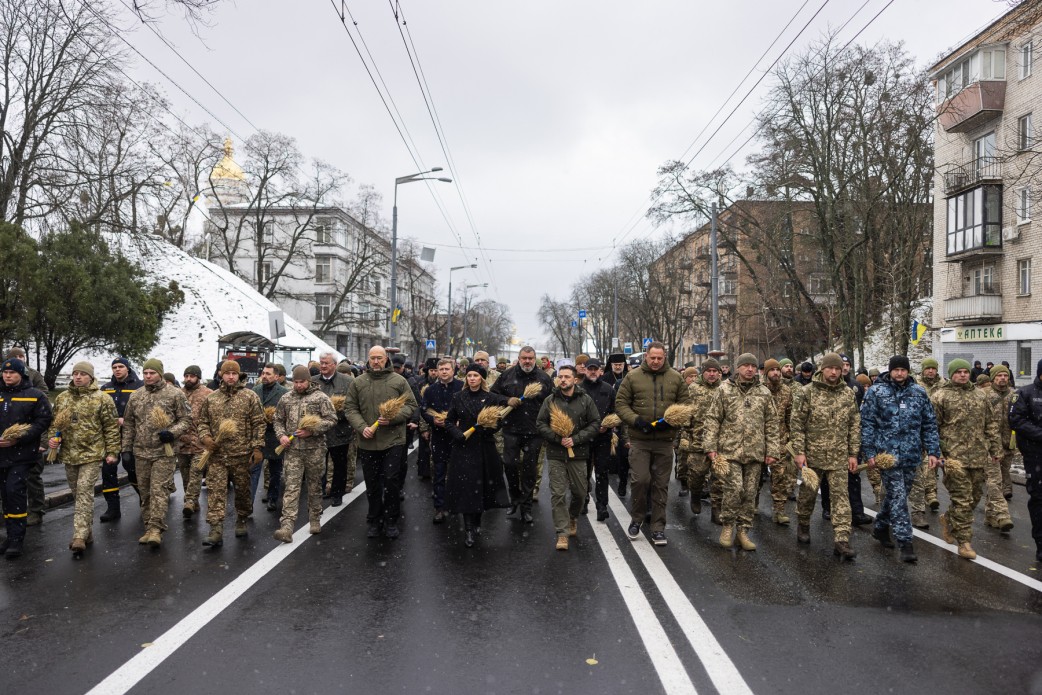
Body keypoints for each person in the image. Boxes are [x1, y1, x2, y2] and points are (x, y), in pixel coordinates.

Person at [860, 355, 941, 563]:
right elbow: (867, 424)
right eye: (895, 369)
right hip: (887, 456)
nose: (899, 373)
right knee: (897, 496)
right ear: (890, 371)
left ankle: (879, 527)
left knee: (897, 496)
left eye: (903, 370)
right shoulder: (877, 392)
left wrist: (933, 451)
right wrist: (869, 453)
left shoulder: (918, 393)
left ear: (908, 371)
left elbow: (929, 424)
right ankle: (905, 542)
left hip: (911, 454)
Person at [704, 352, 780, 551]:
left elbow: (772, 423)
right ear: (737, 368)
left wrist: (772, 450)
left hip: (755, 452)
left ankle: (743, 530)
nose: (749, 369)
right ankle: (728, 525)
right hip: (730, 451)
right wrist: (711, 448)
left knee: (749, 493)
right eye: (745, 365)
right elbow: (712, 419)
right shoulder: (724, 390)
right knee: (734, 489)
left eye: (753, 366)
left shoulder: (763, 392)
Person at [616, 341, 690, 546]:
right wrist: (636, 420)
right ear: (646, 357)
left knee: (660, 485)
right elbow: (621, 404)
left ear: (664, 357)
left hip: (664, 441)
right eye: (652, 357)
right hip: (640, 440)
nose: (656, 361)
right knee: (640, 481)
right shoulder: (632, 377)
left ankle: (658, 528)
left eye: (660, 358)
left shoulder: (676, 378)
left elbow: (686, 406)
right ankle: (637, 519)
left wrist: (670, 421)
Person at [789, 352, 860, 559]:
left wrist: (853, 453)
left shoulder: (847, 394)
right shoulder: (807, 392)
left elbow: (854, 424)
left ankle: (842, 539)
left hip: (838, 456)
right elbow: (797, 424)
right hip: (812, 455)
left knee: (840, 498)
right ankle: (803, 524)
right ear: (822, 369)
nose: (834, 372)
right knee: (807, 495)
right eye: (830, 368)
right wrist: (800, 452)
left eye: (838, 369)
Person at [344, 345, 418, 539]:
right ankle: (374, 520)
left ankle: (391, 519)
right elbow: (350, 408)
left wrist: (393, 418)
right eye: (372, 358)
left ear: (386, 359)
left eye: (379, 358)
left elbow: (411, 405)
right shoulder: (359, 382)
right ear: (368, 360)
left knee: (392, 482)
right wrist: (362, 427)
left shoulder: (398, 381)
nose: (376, 361)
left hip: (393, 441)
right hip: (368, 442)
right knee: (373, 483)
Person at [932, 358, 1003, 560]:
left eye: (965, 371)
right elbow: (932, 428)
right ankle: (964, 543)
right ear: (952, 373)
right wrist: (938, 453)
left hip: (978, 456)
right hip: (954, 459)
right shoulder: (941, 396)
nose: (963, 375)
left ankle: (949, 519)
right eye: (958, 372)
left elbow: (990, 424)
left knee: (974, 498)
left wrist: (995, 448)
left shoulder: (980, 396)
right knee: (962, 500)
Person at [47, 362, 120, 554]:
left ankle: (78, 535)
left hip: (92, 454)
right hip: (69, 455)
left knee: (84, 492)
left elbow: (111, 427)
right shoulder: (63, 398)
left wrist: (112, 452)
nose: (78, 377)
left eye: (82, 374)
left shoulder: (102, 399)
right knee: (76, 492)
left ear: (91, 376)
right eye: (75, 374)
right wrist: (52, 440)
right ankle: (87, 533)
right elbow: (54, 425)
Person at [121, 358, 192, 548]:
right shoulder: (136, 396)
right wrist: (126, 449)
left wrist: (172, 433)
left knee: (158, 490)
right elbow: (128, 424)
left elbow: (186, 419)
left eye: (152, 373)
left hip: (164, 452)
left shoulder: (174, 394)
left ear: (160, 373)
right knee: (145, 493)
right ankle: (148, 526)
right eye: (145, 373)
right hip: (141, 452)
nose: (148, 376)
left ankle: (155, 529)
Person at [195, 360, 266, 547]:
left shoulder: (249, 396)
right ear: (221, 375)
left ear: (239, 375)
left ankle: (242, 518)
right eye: (227, 373)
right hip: (217, 456)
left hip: (241, 455)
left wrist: (257, 448)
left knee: (242, 491)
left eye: (234, 373)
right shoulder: (212, 398)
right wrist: (206, 438)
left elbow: (259, 423)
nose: (231, 377)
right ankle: (216, 529)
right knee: (216, 492)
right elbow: (202, 422)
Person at [444, 363, 513, 547]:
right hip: (463, 448)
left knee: (481, 487)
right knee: (467, 488)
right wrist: (458, 433)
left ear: (482, 378)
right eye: (469, 375)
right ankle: (468, 529)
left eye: (476, 375)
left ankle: (476, 523)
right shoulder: (458, 397)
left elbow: (498, 422)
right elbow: (449, 421)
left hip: (484, 448)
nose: (472, 378)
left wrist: (487, 428)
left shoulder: (491, 398)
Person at [536, 364, 601, 551]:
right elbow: (540, 423)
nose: (562, 379)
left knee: (580, 493)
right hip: (556, 453)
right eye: (560, 376)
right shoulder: (550, 400)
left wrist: (575, 439)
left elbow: (595, 422)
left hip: (578, 454)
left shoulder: (585, 400)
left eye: (566, 376)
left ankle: (573, 517)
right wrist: (558, 438)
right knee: (557, 494)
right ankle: (562, 533)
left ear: (575, 379)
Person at [489, 345, 553, 525]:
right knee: (509, 464)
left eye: (530, 358)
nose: (527, 361)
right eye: (524, 358)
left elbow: (553, 401)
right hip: (511, 429)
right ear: (519, 358)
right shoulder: (507, 376)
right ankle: (515, 497)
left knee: (529, 469)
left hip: (534, 431)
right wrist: (506, 400)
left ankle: (526, 507)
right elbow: (493, 395)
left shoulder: (544, 378)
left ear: (535, 359)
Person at [273, 365, 337, 541]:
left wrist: (313, 430)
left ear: (309, 381)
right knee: (291, 487)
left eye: (302, 382)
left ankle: (315, 518)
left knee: (314, 485)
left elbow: (332, 419)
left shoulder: (320, 398)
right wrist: (281, 436)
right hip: (292, 451)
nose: (299, 385)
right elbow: (277, 420)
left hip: (314, 450)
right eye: (296, 382)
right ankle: (286, 526)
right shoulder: (286, 398)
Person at [0, 358, 52, 558]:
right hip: (1, 455)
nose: (8, 376)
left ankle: (17, 539)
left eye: (12, 373)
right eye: (5, 373)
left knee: (15, 491)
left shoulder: (35, 395)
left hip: (22, 456)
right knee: (5, 494)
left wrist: (20, 438)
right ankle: (9, 535)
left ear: (21, 374)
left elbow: (44, 420)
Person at [4, 348, 47, 527]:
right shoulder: (4, 380)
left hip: (30, 437)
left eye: (22, 356)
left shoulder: (33, 376)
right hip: (7, 441)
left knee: (33, 475)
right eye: (16, 357)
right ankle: (10, 512)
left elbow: (43, 416)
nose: (20, 359)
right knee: (8, 481)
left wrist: (42, 442)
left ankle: (36, 510)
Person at [99, 357, 143, 522]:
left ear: (128, 368)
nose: (117, 370)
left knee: (131, 467)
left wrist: (128, 420)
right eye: (114, 367)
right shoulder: (106, 388)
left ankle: (144, 499)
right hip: (110, 436)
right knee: (108, 471)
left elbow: (146, 411)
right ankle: (113, 508)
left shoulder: (139, 387)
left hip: (132, 436)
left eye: (121, 367)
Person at [421, 358, 463, 524]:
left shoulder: (461, 387)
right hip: (439, 436)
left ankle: (456, 504)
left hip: (457, 436)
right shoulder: (430, 390)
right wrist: (433, 420)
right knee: (439, 472)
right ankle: (439, 507)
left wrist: (461, 421)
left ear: (453, 370)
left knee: (458, 472)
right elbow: (424, 410)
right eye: (441, 369)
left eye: (447, 369)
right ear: (437, 371)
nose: (444, 372)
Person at [682, 358, 724, 523]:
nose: (712, 374)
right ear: (703, 372)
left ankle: (716, 509)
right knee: (697, 474)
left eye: (715, 371)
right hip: (698, 440)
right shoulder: (693, 389)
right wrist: (686, 435)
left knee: (719, 477)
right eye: (709, 371)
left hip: (719, 442)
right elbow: (686, 413)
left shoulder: (725, 388)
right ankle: (695, 495)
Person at [1009, 358, 1042, 562]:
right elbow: (1017, 421)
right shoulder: (1025, 393)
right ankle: (1041, 543)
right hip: (1035, 455)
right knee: (1039, 499)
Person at [312, 352, 354, 505]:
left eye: (326, 363)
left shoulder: (347, 381)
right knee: (317, 465)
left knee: (339, 465)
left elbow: (352, 406)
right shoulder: (313, 382)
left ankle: (337, 493)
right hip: (318, 432)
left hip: (339, 431)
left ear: (334, 365)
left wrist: (336, 414)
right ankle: (320, 491)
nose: (322, 366)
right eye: (321, 362)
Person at [909, 357, 946, 527]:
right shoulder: (915, 385)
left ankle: (931, 494)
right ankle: (926, 497)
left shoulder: (943, 385)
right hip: (918, 431)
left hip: (937, 430)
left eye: (933, 368)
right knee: (922, 466)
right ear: (923, 370)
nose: (931, 371)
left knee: (932, 463)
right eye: (928, 368)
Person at [578, 359, 616, 522]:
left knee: (602, 472)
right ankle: (584, 499)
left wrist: (608, 426)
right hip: (584, 438)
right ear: (585, 370)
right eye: (590, 369)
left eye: (595, 369)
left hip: (603, 437)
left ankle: (602, 506)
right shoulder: (578, 389)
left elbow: (615, 411)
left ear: (600, 371)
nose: (593, 372)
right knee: (583, 472)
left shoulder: (608, 389)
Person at [761, 359, 795, 525]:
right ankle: (752, 504)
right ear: (766, 373)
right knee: (755, 476)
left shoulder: (787, 391)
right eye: (772, 370)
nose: (775, 372)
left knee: (780, 475)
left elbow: (790, 416)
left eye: (777, 370)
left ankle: (779, 510)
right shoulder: (759, 390)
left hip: (780, 439)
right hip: (758, 438)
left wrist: (791, 435)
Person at [252, 364, 287, 513]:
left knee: (275, 471)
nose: (264, 376)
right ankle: (249, 502)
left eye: (268, 374)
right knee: (254, 470)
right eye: (263, 373)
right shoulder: (255, 391)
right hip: (257, 437)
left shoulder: (284, 393)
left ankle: (273, 498)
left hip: (274, 437)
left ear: (277, 377)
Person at [179, 365, 212, 518]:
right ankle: (193, 502)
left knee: (196, 472)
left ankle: (190, 501)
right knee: (185, 475)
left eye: (192, 376)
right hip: (182, 443)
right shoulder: (179, 394)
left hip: (200, 443)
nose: (188, 379)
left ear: (198, 377)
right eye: (186, 376)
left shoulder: (208, 394)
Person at [987, 364, 1016, 506]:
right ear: (993, 378)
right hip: (991, 440)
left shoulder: (1014, 395)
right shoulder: (985, 394)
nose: (1003, 378)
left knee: (1006, 466)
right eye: (999, 376)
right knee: (994, 469)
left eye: (1005, 375)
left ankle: (1004, 489)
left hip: (1009, 438)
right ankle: (1000, 493)